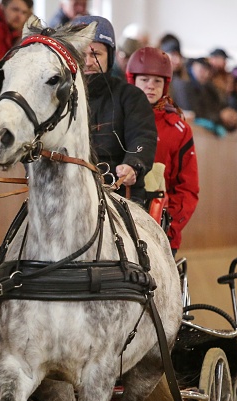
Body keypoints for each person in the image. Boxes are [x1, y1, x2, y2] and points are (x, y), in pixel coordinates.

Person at [72, 15, 157, 203]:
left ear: (110, 56)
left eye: (96, 54)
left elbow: (143, 136)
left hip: (117, 192)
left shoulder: (131, 96)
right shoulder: (57, 98)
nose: (87, 62)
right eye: (80, 54)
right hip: (67, 192)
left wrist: (133, 165)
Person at [126, 46, 200, 253]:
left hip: (160, 230)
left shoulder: (179, 129)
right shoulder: (116, 120)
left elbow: (187, 188)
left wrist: (170, 227)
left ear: (165, 84)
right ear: (133, 80)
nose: (151, 86)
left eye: (157, 81)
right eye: (144, 80)